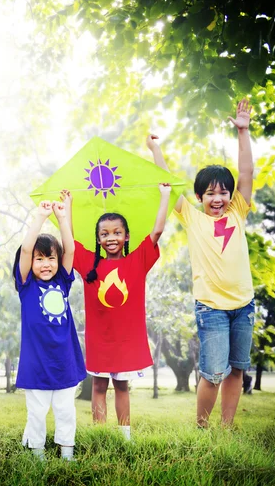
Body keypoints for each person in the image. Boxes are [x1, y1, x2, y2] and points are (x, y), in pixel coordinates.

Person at [147, 98, 255, 428]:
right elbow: (165, 179)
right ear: (199, 197)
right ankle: (202, 428)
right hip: (211, 307)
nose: (218, 199)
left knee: (238, 368)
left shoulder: (239, 210)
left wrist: (243, 132)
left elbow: (247, 172)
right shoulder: (192, 218)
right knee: (212, 372)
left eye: (223, 192)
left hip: (244, 305)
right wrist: (155, 151)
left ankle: (225, 427)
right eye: (210, 193)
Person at [69, 183, 171, 440]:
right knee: (99, 387)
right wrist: (66, 207)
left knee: (122, 386)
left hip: (125, 340)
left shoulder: (137, 261)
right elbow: (68, 242)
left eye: (117, 232)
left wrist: (165, 195)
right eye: (104, 234)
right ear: (98, 239)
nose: (111, 237)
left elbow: (157, 231)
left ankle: (125, 436)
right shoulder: (89, 265)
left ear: (126, 236)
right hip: (99, 340)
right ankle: (100, 435)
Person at [12, 200, 86, 461]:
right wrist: (41, 217)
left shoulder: (63, 282)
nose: (46, 264)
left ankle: (67, 451)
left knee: (66, 409)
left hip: (64, 360)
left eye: (50, 258)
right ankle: (38, 452)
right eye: (39, 259)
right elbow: (24, 251)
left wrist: (62, 218)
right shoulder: (26, 285)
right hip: (36, 363)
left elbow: (70, 250)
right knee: (37, 411)